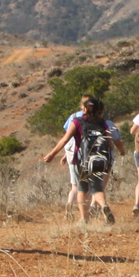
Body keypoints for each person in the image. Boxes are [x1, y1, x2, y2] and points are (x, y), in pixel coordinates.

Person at [41, 95, 122, 224]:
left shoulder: (77, 122)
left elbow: (65, 140)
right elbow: (110, 144)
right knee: (97, 188)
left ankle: (84, 219)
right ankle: (104, 205)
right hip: (100, 159)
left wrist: (52, 154)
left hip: (84, 160)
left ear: (84, 109)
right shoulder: (103, 123)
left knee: (82, 189)